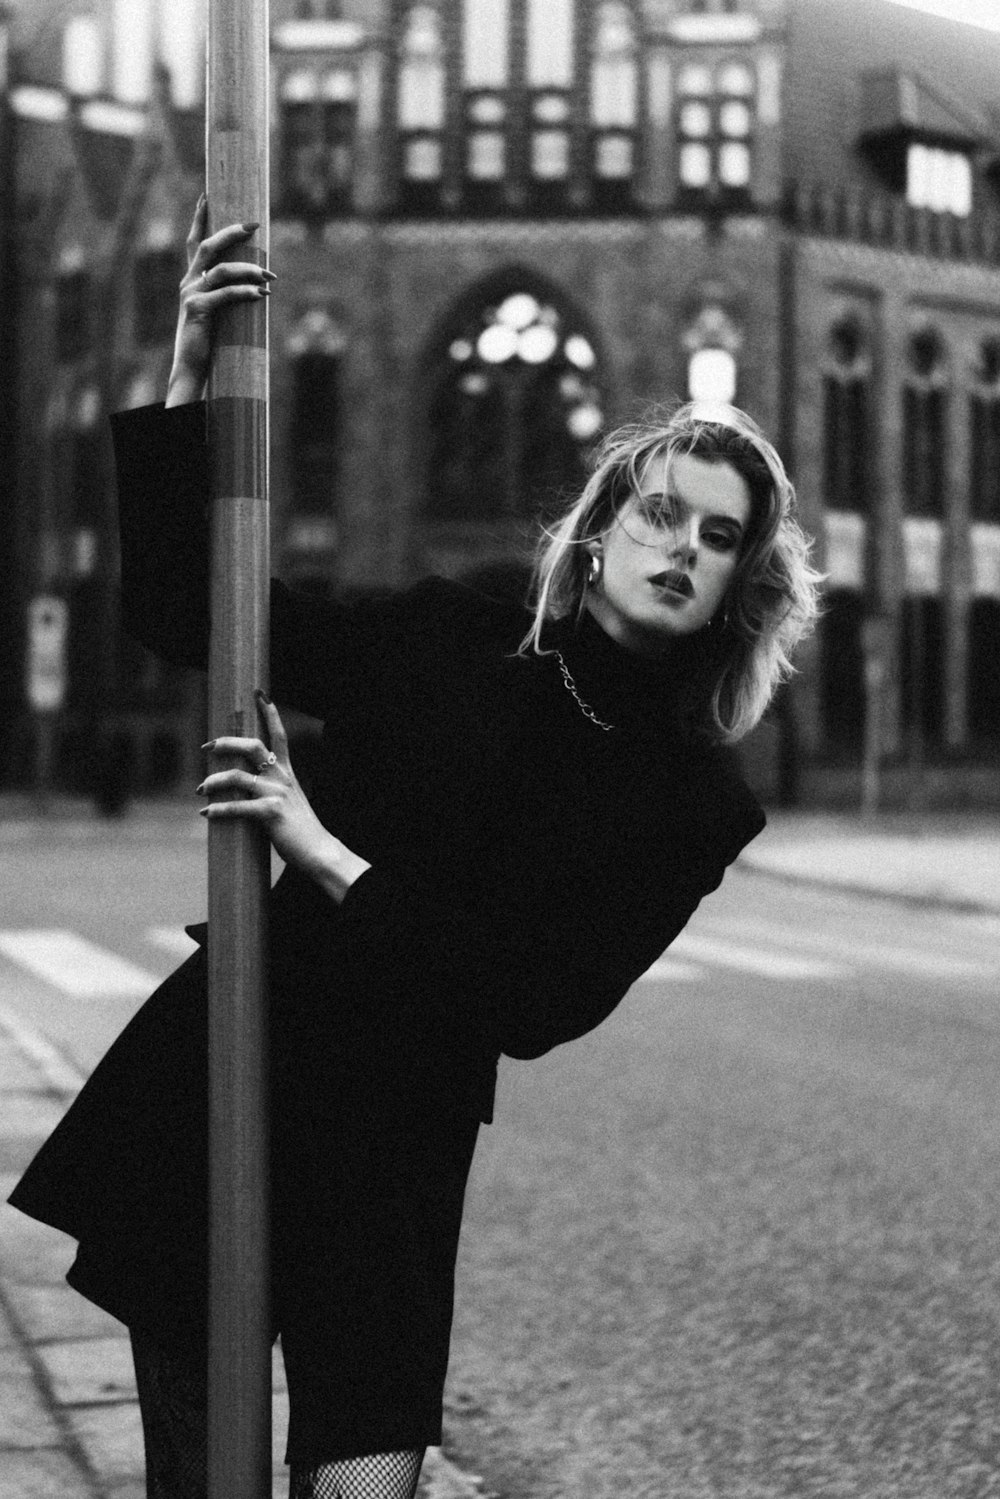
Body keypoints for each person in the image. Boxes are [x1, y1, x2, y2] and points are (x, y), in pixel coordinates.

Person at [9, 201, 822, 1499]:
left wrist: (318, 849)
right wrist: (184, 366)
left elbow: (536, 1003)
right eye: (665, 513)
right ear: (606, 522)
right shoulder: (458, 631)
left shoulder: (696, 801)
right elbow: (194, 614)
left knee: (366, 1484)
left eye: (720, 536)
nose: (684, 547)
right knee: (203, 1471)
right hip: (245, 1057)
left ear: (740, 582)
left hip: (398, 1144)